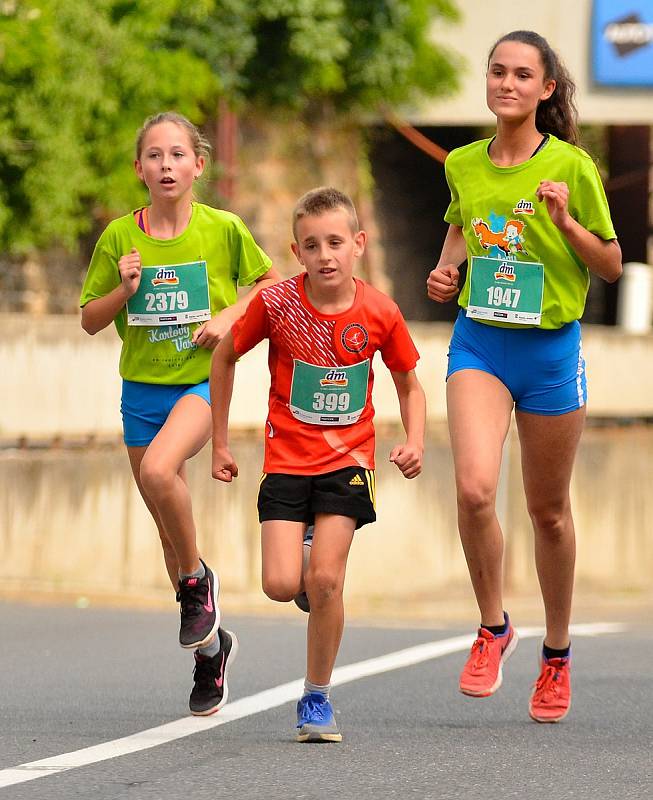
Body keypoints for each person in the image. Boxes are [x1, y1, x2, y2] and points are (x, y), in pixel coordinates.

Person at [427, 30, 622, 723]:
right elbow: (460, 227)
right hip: (480, 344)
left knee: (547, 512)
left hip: (548, 353)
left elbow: (608, 264)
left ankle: (557, 653)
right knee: (476, 490)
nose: (505, 83)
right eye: (496, 72)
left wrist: (565, 222)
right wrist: (446, 271)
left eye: (521, 75)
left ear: (544, 89)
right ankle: (492, 626)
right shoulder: (461, 163)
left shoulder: (571, 166)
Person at [80, 111, 280, 716]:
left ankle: (199, 584)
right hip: (141, 392)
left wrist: (227, 319)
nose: (166, 165)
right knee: (171, 534)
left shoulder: (222, 229)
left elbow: (268, 285)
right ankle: (211, 653)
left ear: (198, 165)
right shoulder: (120, 237)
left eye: (177, 155)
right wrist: (123, 291)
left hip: (199, 384)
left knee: (160, 472)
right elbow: (90, 318)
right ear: (139, 168)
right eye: (154, 156)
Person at [210, 187, 426, 742]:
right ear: (296, 251)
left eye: (335, 242)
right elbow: (225, 355)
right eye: (312, 245)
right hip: (286, 458)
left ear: (358, 244)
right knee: (283, 586)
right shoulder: (277, 304)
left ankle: (316, 698)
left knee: (327, 579)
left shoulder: (380, 311)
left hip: (349, 460)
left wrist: (415, 439)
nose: (325, 254)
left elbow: (409, 383)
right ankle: (305, 561)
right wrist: (219, 442)